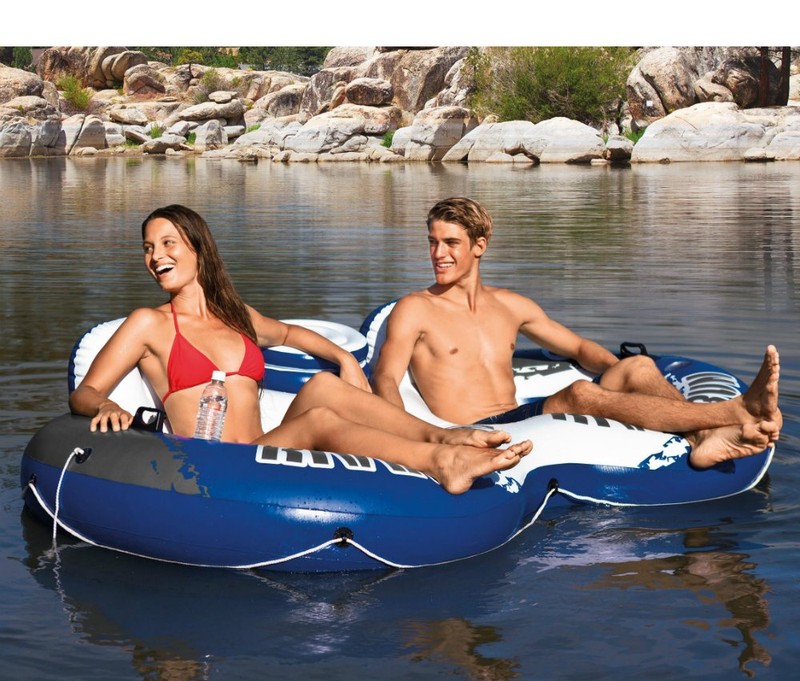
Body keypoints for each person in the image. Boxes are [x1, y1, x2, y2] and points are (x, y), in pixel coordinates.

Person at [68, 204, 532, 495]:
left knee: (324, 388)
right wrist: (105, 404)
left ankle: (444, 437)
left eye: (168, 243)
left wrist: (345, 359)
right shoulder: (149, 323)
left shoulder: (236, 317)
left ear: (198, 249)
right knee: (319, 419)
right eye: (148, 248)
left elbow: (290, 335)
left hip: (262, 451)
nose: (155, 257)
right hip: (214, 467)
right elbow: (85, 392)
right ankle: (441, 461)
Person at [370, 197, 782, 469]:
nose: (438, 254)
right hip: (479, 427)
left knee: (638, 366)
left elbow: (580, 347)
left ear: (479, 246)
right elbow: (386, 378)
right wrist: (414, 441)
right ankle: (731, 413)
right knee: (580, 394)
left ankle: (705, 436)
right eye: (433, 242)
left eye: (451, 243)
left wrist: (621, 373)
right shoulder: (415, 309)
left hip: (521, 414)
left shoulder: (511, 305)